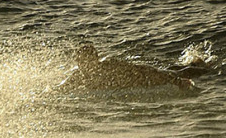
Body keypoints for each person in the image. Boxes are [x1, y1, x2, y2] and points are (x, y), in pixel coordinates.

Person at [61, 43, 196, 91]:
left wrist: (176, 82)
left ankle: (198, 63)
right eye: (79, 62)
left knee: (188, 72)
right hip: (140, 82)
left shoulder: (109, 66)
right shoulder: (79, 76)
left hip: (148, 79)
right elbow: (61, 88)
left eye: (85, 61)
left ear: (95, 59)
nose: (82, 65)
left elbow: (142, 69)